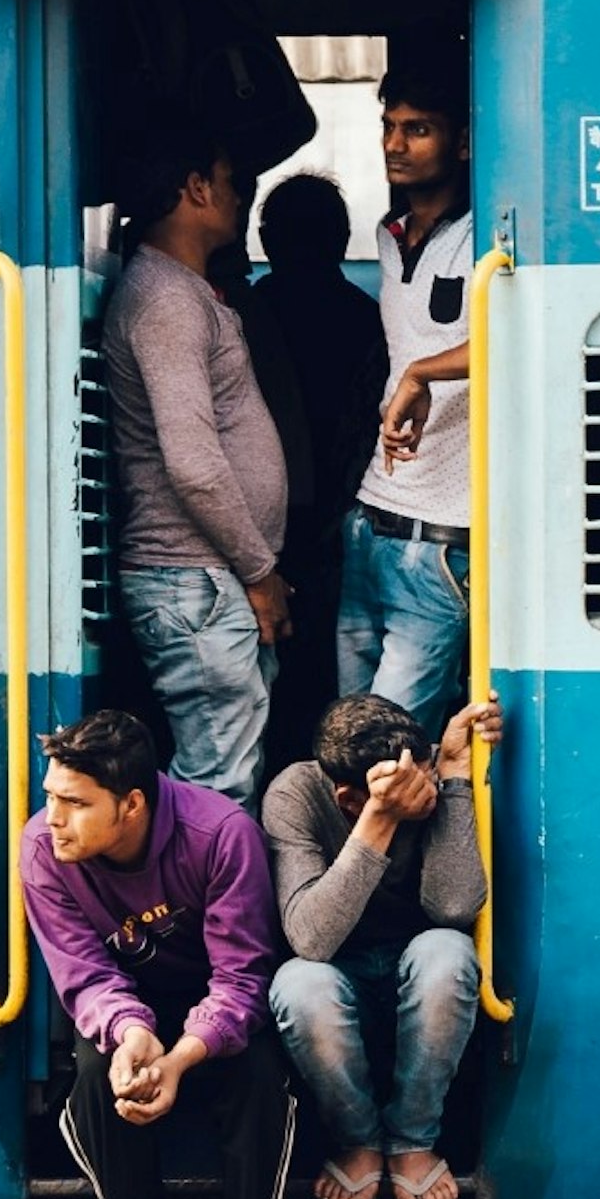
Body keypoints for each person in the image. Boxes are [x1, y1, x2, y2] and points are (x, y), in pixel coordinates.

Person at [17, 709, 296, 1199]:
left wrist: (182, 1057)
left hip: (218, 1013)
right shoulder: (42, 849)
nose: (54, 817)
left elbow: (240, 980)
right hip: (128, 1011)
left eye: (76, 803)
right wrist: (131, 1033)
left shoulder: (221, 834)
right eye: (51, 796)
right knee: (92, 1076)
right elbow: (82, 973)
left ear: (132, 803)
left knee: (261, 1075)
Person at [101, 133, 292, 803]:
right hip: (195, 580)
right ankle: (197, 911)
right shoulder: (167, 300)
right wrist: (261, 572)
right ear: (195, 188)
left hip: (205, 579)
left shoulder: (179, 291)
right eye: (230, 177)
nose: (240, 195)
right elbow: (195, 464)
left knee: (226, 770)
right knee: (219, 784)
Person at [265, 692, 500, 1199]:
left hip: (416, 972)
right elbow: (312, 938)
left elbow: (455, 906)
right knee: (299, 985)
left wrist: (455, 777)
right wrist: (380, 817)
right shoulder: (295, 792)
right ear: (348, 798)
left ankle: (413, 1139)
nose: (425, 787)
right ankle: (359, 1142)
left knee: (448, 952)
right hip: (340, 973)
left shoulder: (434, 773)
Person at [339, 71, 479, 715]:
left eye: (417, 130)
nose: (395, 145)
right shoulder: (387, 237)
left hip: (442, 539)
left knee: (388, 746)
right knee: (349, 743)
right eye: (388, 128)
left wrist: (423, 373)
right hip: (370, 524)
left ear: (464, 143)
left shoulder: (487, 238)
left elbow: (518, 340)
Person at [246, 175, 379, 769]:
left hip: (249, 537)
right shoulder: (367, 319)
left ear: (265, 239)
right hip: (343, 524)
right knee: (331, 676)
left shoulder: (247, 313)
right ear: (343, 238)